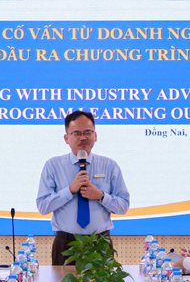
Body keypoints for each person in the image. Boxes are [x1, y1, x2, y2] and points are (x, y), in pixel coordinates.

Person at [35, 110, 131, 265]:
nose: (83, 137)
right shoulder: (53, 166)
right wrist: (69, 190)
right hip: (66, 243)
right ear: (66, 138)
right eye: (76, 133)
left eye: (88, 132)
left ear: (95, 136)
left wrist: (100, 196)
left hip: (100, 242)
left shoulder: (109, 166)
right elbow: (43, 206)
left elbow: (123, 206)